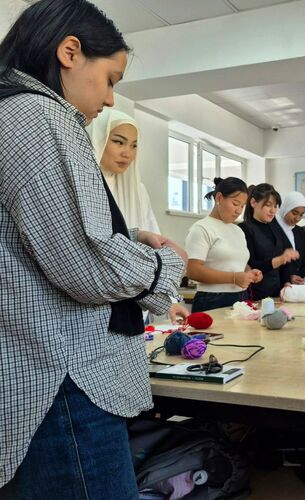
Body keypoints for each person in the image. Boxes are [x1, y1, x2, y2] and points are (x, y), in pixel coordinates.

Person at [0, 1, 186, 497]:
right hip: (63, 378)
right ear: (70, 52)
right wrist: (168, 263)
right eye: (109, 79)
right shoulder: (40, 116)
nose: (109, 98)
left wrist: (126, 240)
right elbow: (89, 266)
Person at [88, 107, 188, 322]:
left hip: (139, 300)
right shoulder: (86, 187)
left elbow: (154, 242)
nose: (127, 153)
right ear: (97, 138)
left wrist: (169, 300)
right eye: (119, 142)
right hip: (98, 304)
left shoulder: (137, 189)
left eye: (134, 145)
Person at [185, 177, 263, 312]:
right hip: (212, 299)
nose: (239, 211)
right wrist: (234, 278)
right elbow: (193, 270)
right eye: (235, 204)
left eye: (242, 206)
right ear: (219, 198)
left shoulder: (238, 230)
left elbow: (237, 263)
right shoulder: (202, 228)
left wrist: (249, 272)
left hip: (241, 297)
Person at [239, 183, 299, 300]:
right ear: (253, 203)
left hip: (277, 294)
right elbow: (252, 265)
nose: (273, 211)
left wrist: (286, 282)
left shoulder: (275, 227)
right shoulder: (245, 228)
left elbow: (284, 263)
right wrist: (281, 259)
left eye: (275, 206)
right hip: (255, 294)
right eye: (268, 205)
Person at [274, 191, 305, 286]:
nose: (297, 218)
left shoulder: (300, 232)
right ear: (286, 208)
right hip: (277, 286)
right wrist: (288, 277)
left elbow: (304, 261)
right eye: (294, 213)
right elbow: (270, 262)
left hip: (298, 286)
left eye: (301, 215)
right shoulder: (272, 228)